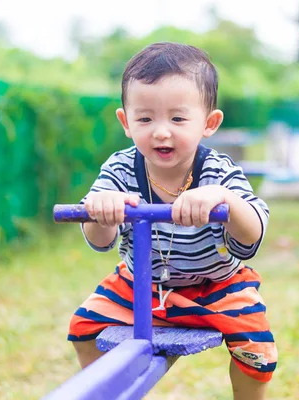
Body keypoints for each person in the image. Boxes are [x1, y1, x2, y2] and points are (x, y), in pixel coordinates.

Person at [67, 42, 277, 400]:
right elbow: (100, 239)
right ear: (126, 122)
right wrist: (102, 208)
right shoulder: (119, 169)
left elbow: (253, 231)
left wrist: (224, 199)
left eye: (178, 119)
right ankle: (112, 391)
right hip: (140, 283)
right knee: (84, 327)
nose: (161, 131)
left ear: (208, 123)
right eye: (145, 119)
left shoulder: (217, 172)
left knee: (256, 351)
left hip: (214, 284)